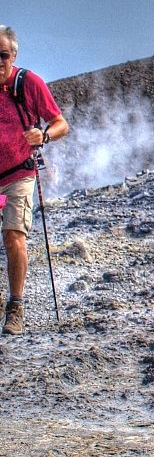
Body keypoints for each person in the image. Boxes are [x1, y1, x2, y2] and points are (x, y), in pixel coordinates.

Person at [0, 26, 69, 336]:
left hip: (18, 174)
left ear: (13, 56)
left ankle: (15, 306)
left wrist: (42, 136)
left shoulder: (28, 84)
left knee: (13, 234)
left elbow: (61, 124)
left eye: (2, 55)